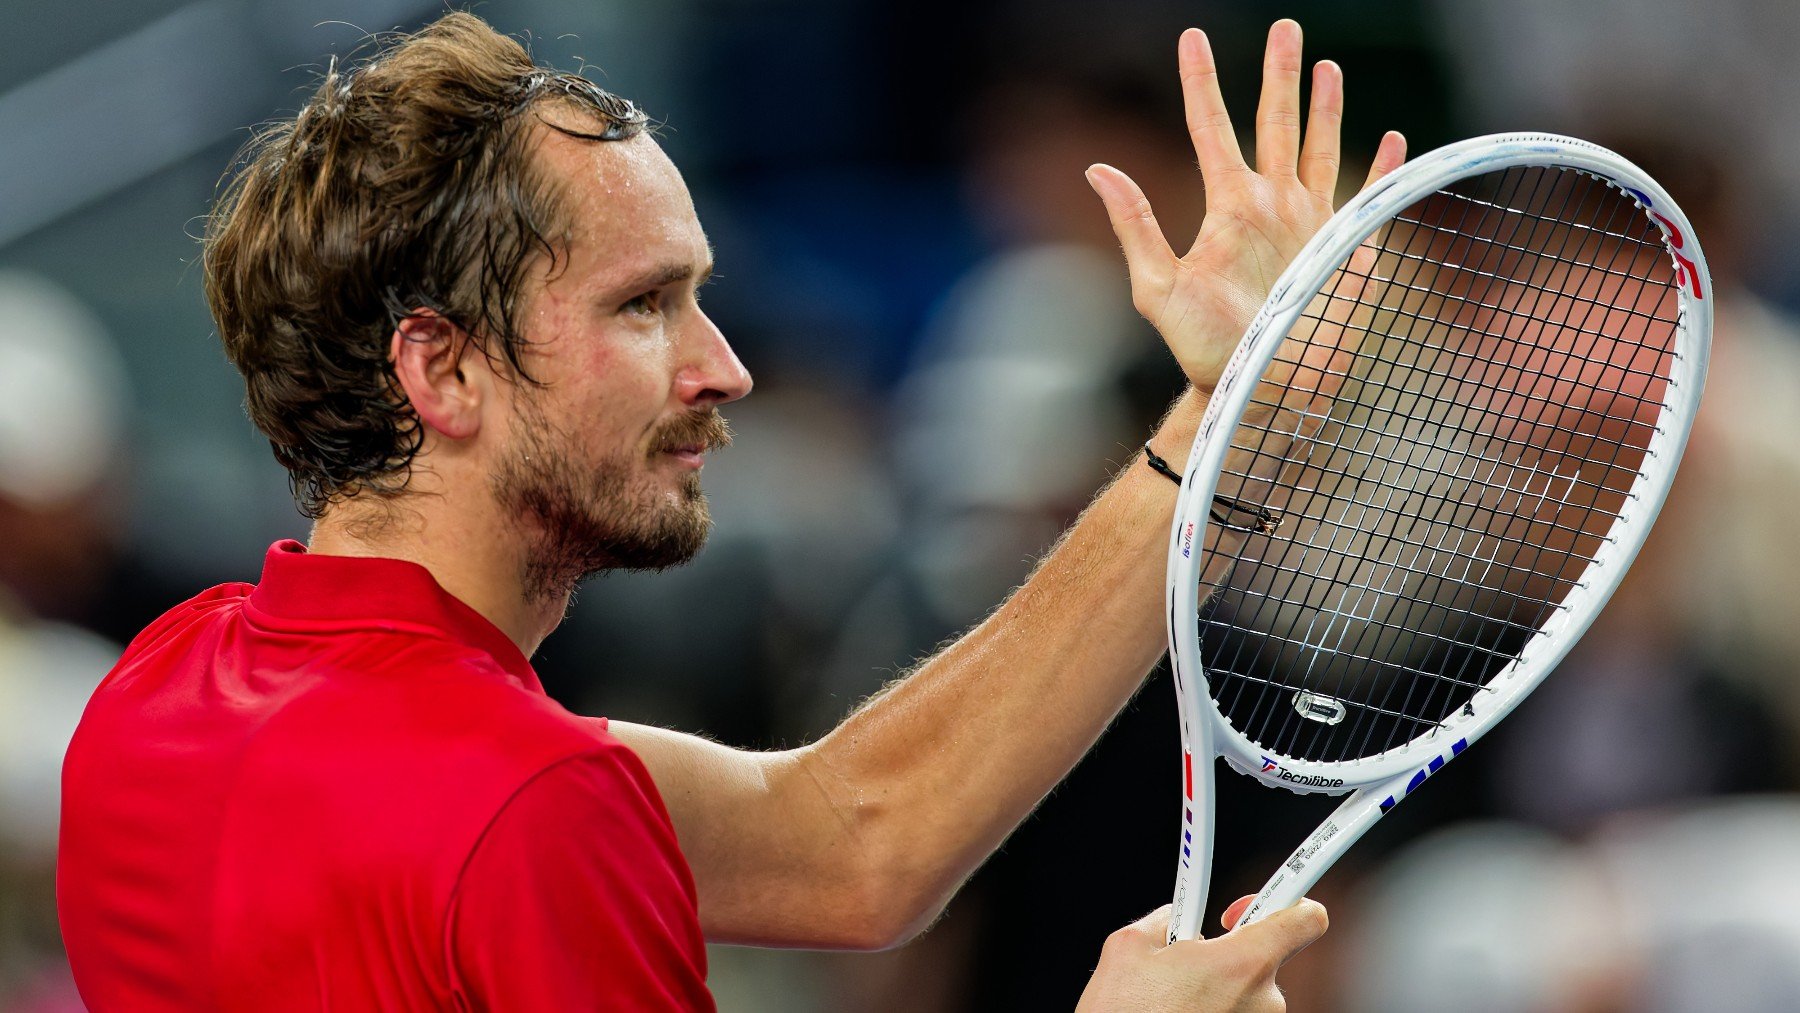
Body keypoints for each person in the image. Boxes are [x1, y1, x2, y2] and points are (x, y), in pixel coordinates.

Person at [57, 12, 1402, 1011]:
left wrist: (1221, 414)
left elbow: (857, 838)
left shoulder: (160, 687)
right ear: (443, 367)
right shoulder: (532, 811)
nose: (725, 366)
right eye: (643, 305)